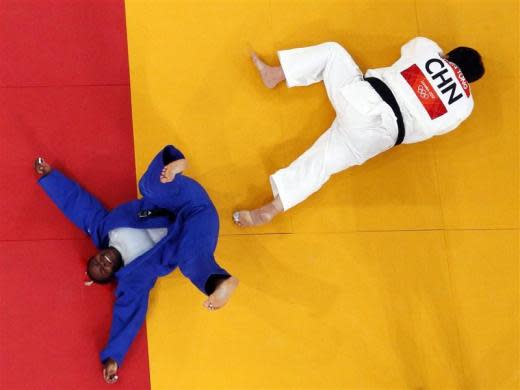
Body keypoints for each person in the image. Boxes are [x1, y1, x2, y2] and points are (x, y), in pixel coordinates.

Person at [34, 145, 239, 384]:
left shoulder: (104, 228)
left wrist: (50, 177)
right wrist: (113, 358)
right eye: (102, 271)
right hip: (196, 227)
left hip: (183, 201)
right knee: (189, 260)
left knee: (148, 187)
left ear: (96, 252)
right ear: (113, 275)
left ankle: (175, 167)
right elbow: (127, 317)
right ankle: (219, 283)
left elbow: (78, 205)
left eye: (96, 261)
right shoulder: (133, 280)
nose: (102, 263)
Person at [233, 37, 484, 226]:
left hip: (362, 97)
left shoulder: (429, 49)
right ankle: (270, 209)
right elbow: (435, 128)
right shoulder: (465, 106)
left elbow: (409, 49)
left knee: (333, 52)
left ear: (449, 55)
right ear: (470, 82)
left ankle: (275, 74)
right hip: (380, 137)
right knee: (322, 164)